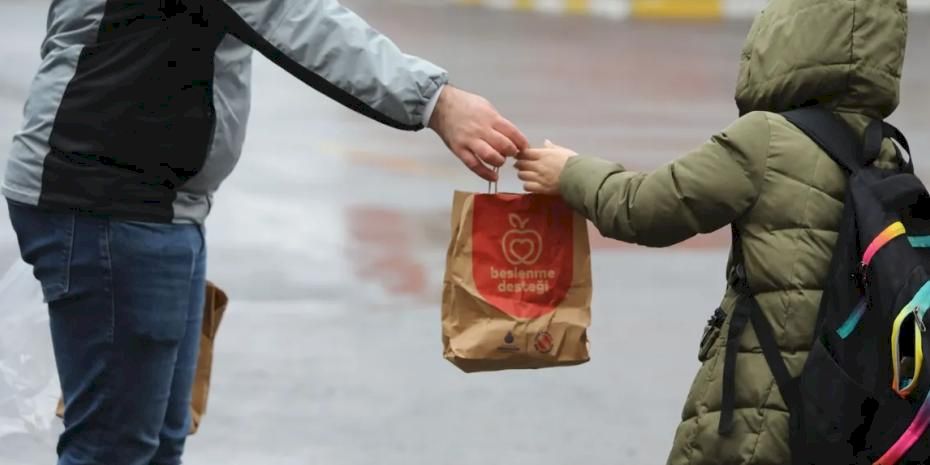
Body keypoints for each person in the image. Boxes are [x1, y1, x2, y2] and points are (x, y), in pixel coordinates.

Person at [2, 1, 528, 464]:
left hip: (149, 202)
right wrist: (436, 101)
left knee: (157, 440)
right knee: (115, 448)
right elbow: (293, 17)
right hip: (112, 203)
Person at [514, 0, 907, 464]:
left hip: (758, 415)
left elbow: (644, 209)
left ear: (789, 33)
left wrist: (570, 173)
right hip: (847, 415)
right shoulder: (886, 151)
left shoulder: (768, 140)